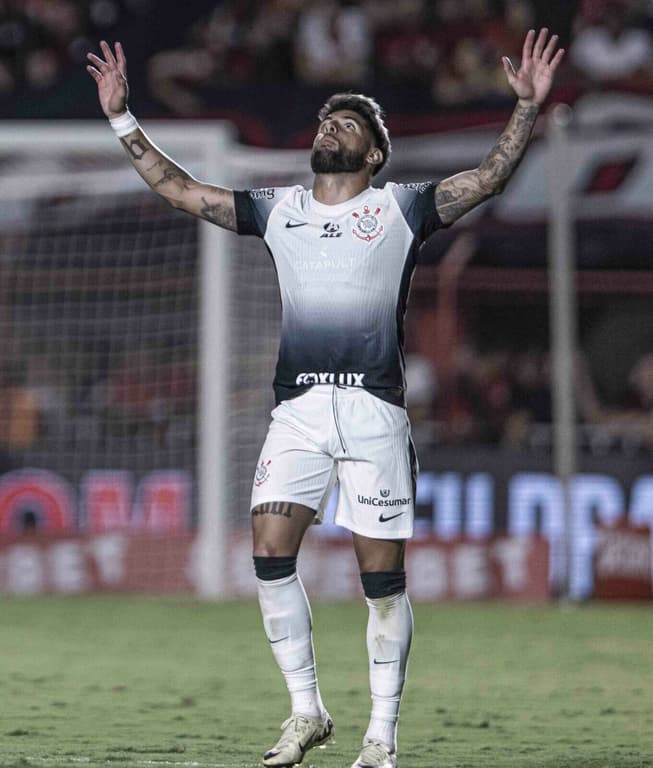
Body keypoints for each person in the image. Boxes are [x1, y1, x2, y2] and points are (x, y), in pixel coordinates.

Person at [87, 28, 563, 768]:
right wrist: (122, 117)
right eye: (324, 120)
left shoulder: (402, 208)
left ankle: (381, 737)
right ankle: (306, 713)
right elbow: (180, 190)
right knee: (269, 553)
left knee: (381, 584)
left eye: (347, 123)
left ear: (373, 154)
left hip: (372, 411)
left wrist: (525, 110)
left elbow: (488, 180)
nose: (329, 126)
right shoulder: (278, 210)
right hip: (298, 413)